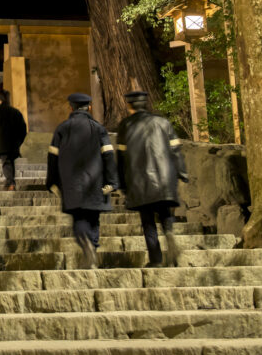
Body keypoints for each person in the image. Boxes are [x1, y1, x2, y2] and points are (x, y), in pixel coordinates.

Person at [46, 93, 119, 270]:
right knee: (94, 217)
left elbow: (53, 158)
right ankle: (92, 247)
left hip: (71, 183)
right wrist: (112, 181)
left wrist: (52, 182)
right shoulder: (98, 128)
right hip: (96, 180)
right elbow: (109, 155)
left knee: (79, 217)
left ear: (71, 108)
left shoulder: (62, 129)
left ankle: (85, 243)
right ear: (89, 108)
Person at [117, 90, 189, 267]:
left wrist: (121, 182)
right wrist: (182, 172)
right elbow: (175, 151)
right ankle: (169, 233)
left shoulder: (126, 125)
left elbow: (121, 157)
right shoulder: (163, 122)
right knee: (165, 212)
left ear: (129, 105)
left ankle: (156, 259)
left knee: (148, 221)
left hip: (140, 180)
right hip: (165, 177)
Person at [0, 93, 27, 191]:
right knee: (10, 162)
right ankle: (10, 182)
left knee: (6, 162)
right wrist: (19, 141)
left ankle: (10, 183)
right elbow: (23, 128)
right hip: (14, 143)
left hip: (3, 142)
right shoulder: (16, 112)